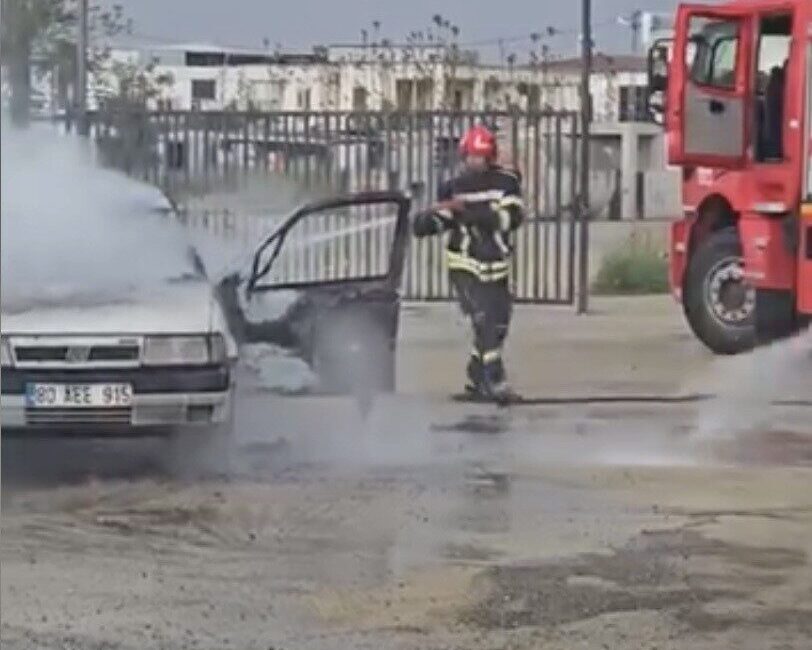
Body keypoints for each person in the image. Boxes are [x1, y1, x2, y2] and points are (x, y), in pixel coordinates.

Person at [413, 124, 525, 401]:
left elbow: (513, 217)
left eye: (481, 156)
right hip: (464, 263)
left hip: (496, 264)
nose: (476, 162)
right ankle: (493, 378)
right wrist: (428, 224)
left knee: (498, 323)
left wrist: (479, 215)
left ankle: (476, 375)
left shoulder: (506, 183)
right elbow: (447, 217)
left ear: (491, 157)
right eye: (472, 156)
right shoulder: (454, 187)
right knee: (482, 318)